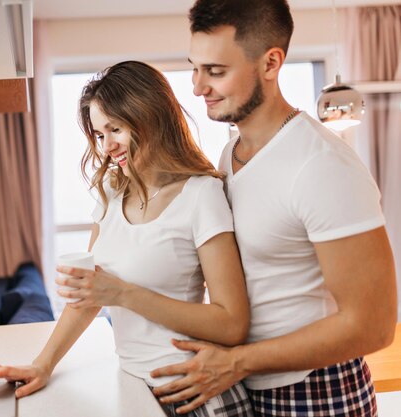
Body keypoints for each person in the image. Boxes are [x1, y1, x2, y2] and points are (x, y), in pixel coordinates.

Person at [149, 1, 398, 416]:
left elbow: (373, 324)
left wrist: (237, 361)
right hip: (249, 381)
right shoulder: (230, 154)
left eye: (216, 71)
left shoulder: (321, 164)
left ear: (270, 63)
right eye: (195, 67)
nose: (197, 87)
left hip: (317, 390)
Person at [0, 60, 254, 417]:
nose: (106, 145)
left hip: (195, 394)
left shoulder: (201, 194)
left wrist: (123, 293)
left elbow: (232, 323)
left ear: (150, 117)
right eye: (98, 134)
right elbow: (90, 295)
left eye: (115, 129)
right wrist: (42, 365)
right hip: (135, 389)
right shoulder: (111, 190)